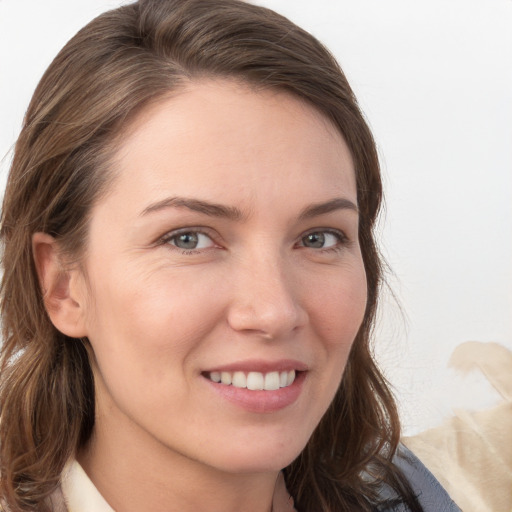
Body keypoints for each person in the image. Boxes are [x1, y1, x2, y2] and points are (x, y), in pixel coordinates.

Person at [0, 1, 461, 510]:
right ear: (63, 285)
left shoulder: (436, 495)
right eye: (188, 239)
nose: (275, 311)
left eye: (318, 238)